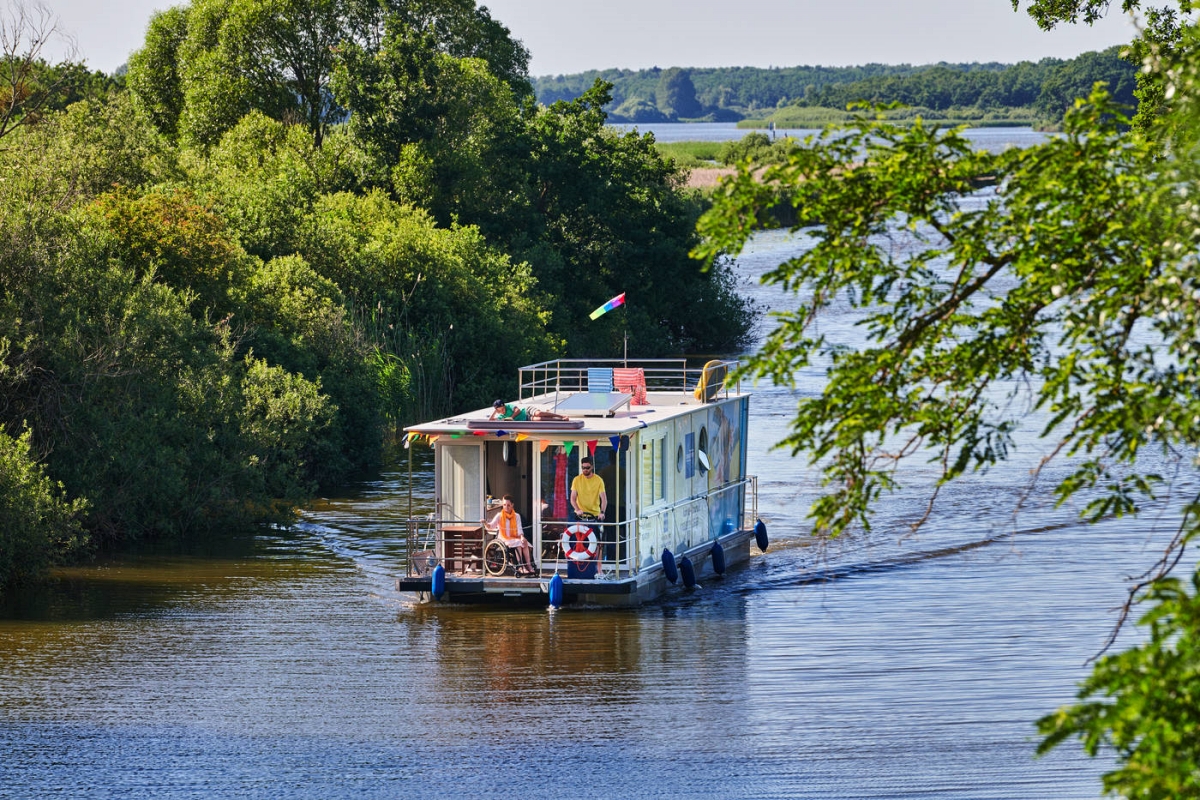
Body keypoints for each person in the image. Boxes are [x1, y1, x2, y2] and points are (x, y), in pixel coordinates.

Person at [486, 494, 535, 575]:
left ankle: (529, 566)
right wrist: (485, 523)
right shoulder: (499, 515)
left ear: (512, 505)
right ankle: (520, 566)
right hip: (504, 539)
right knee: (519, 543)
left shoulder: (517, 516)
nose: (506, 507)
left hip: (515, 537)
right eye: (504, 505)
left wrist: (522, 537)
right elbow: (491, 526)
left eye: (508, 505)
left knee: (524, 542)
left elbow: (519, 529)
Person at [570, 457, 607, 522]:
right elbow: (572, 498)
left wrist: (602, 512)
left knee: (595, 531)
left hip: (595, 515)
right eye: (583, 468)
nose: (585, 470)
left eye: (587, 468)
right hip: (580, 515)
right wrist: (577, 509)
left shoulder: (599, 480)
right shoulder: (576, 480)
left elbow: (604, 500)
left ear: (592, 467)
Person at [490, 400, 567, 421]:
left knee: (538, 413)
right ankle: (561, 420)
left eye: (501, 409)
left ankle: (560, 416)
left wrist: (511, 417)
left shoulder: (508, 406)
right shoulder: (501, 416)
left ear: (503, 406)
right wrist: (494, 411)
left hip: (526, 411)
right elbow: (490, 420)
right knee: (539, 419)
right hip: (526, 418)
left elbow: (518, 410)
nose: (501, 411)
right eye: (498, 410)